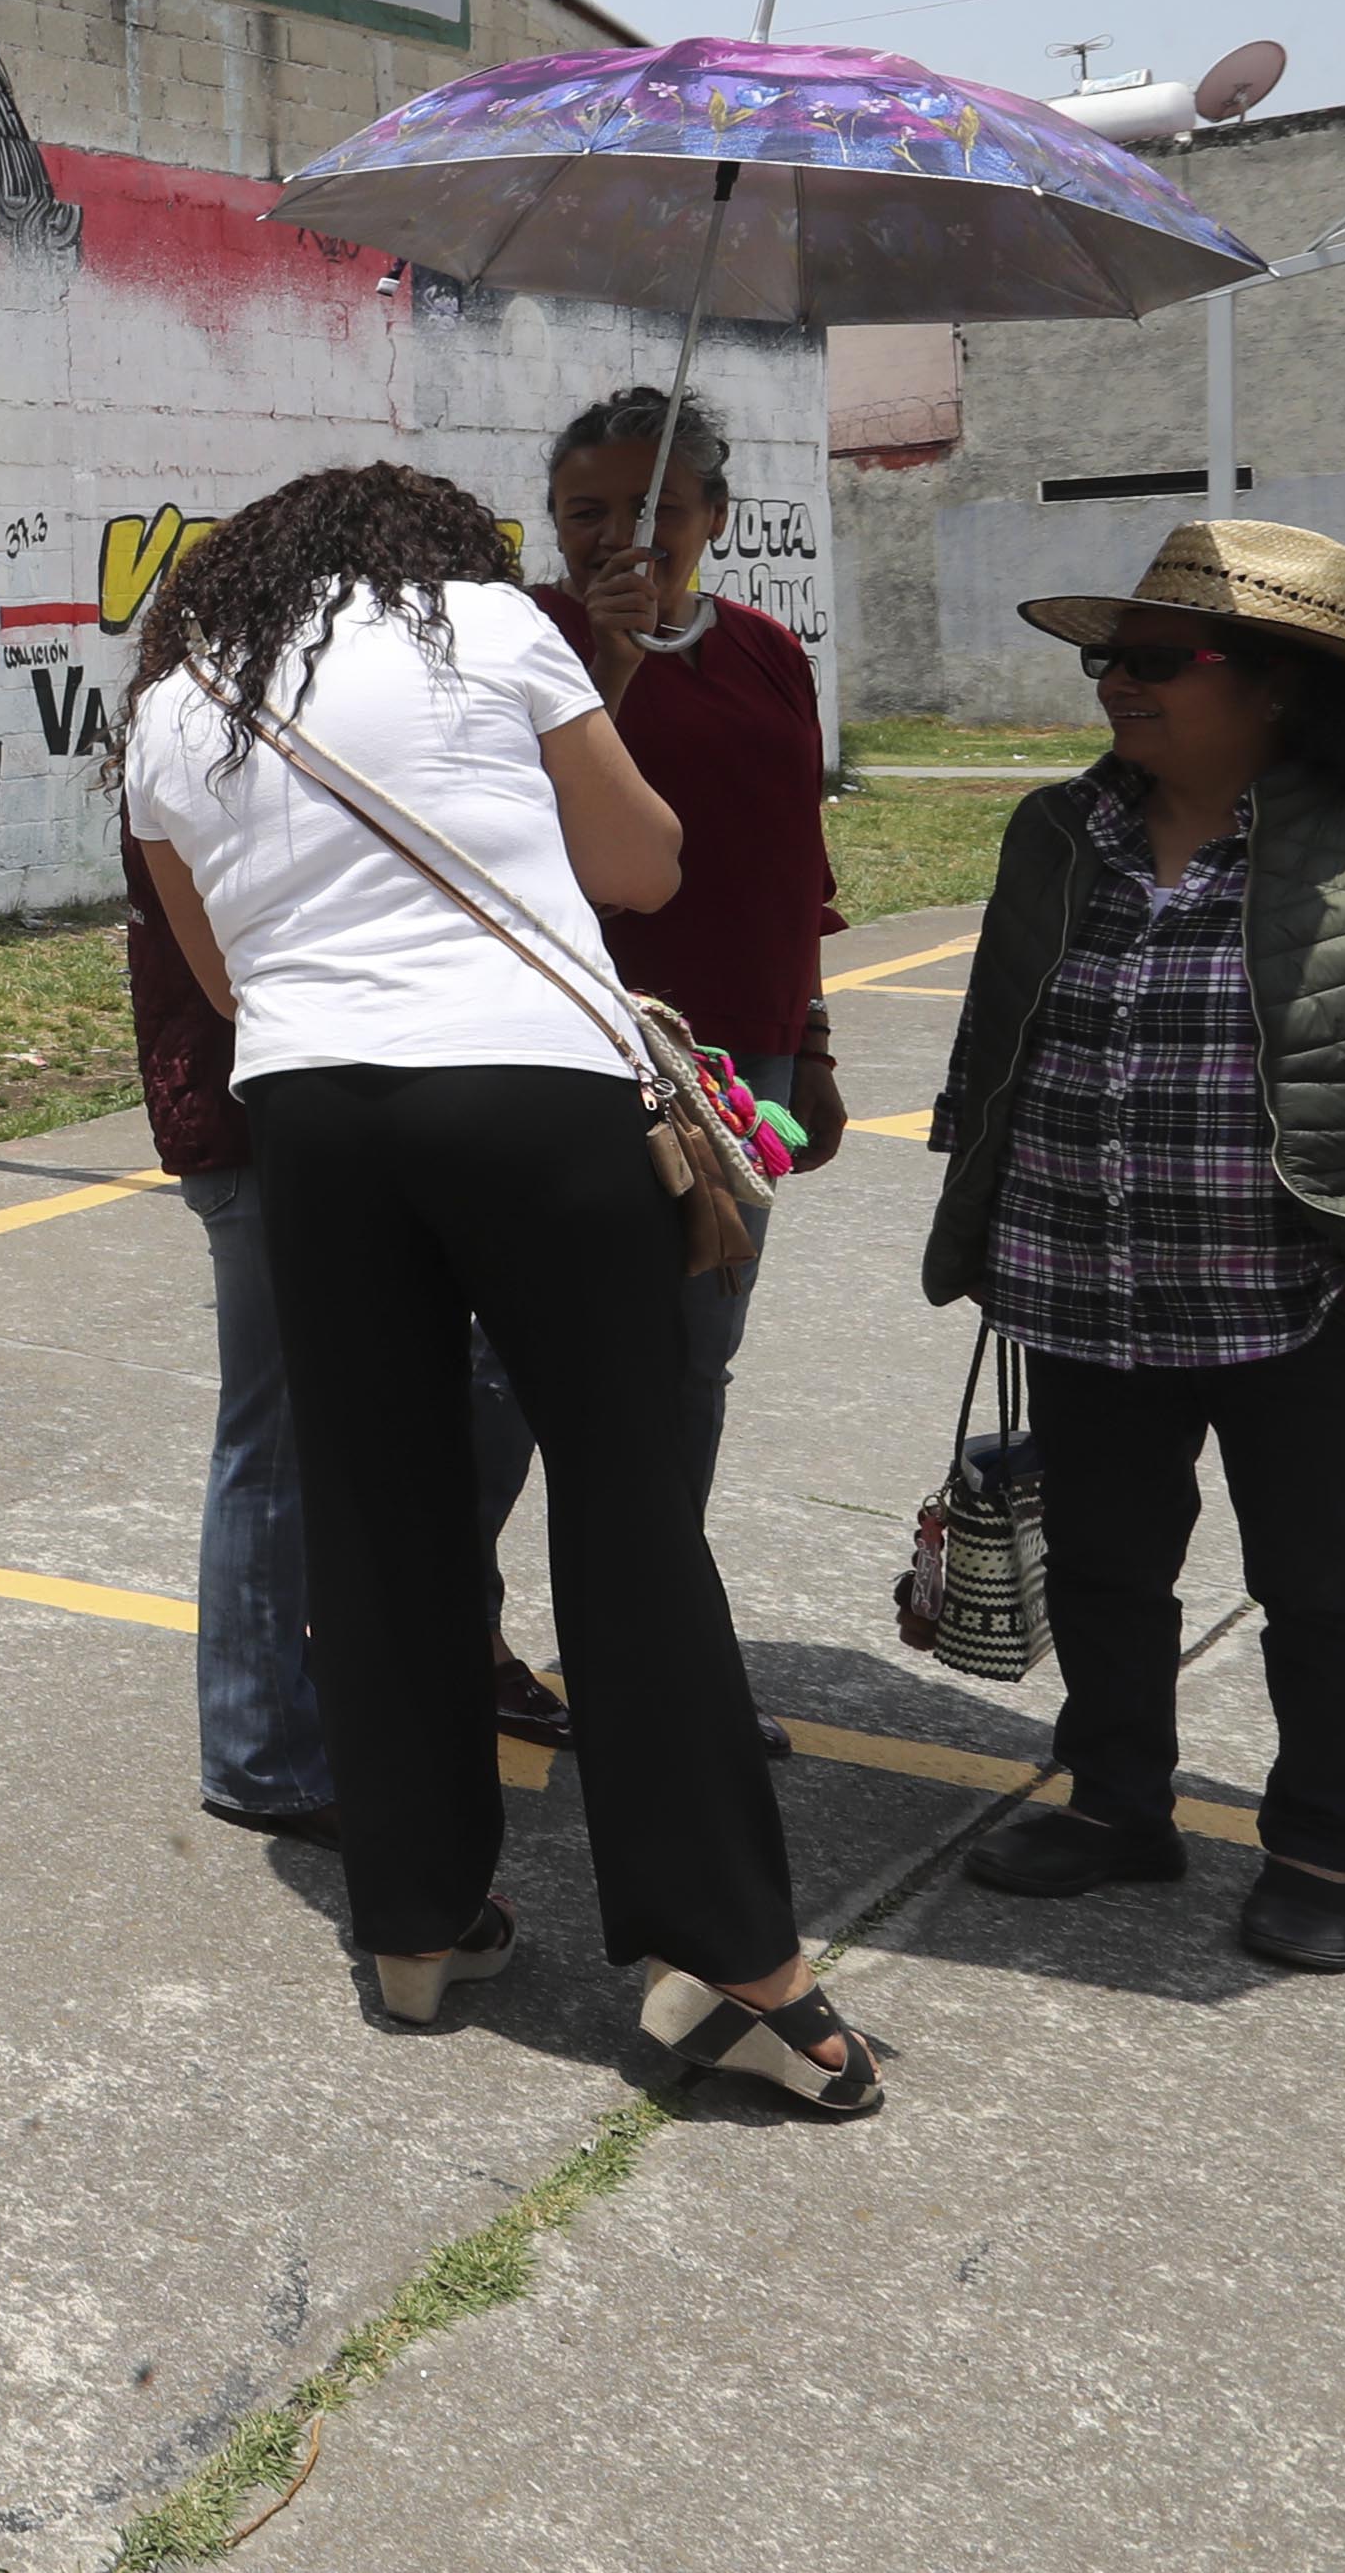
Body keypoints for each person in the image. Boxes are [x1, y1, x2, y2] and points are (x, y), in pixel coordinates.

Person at [118, 460, 874, 2112]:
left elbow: (227, 974)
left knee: (377, 1518)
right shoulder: (488, 625)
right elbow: (644, 867)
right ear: (437, 547)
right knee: (621, 1508)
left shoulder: (174, 702)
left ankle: (415, 1919)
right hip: (528, 1090)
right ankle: (733, 1962)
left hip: (313, 1114)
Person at [932, 524, 1345, 1972]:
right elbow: (995, 1040)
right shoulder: (1059, 831)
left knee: (1322, 1581)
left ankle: (1329, 1850)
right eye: (1111, 655)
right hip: (1081, 1285)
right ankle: (1115, 1808)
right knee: (1102, 1564)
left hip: (1318, 1306)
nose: (1116, 684)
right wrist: (989, 1206)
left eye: (1160, 661)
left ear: (1280, 685)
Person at [470, 394, 839, 1760]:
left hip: (740, 1064)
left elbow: (796, 854)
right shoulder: (516, 650)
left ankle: (653, 1662)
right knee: (517, 1365)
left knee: (692, 1365)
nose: (621, 535)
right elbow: (513, 842)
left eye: (656, 511)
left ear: (714, 522)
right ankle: (456, 1634)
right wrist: (607, 676)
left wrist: (815, 1036)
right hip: (570, 1052)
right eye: (588, 512)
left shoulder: (767, 655)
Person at [129, 806, 330, 1844]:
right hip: (260, 1120)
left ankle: (280, 1728)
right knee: (277, 1437)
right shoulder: (199, 731)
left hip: (268, 1114)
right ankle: (264, 1755)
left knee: (289, 1434)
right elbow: (234, 974)